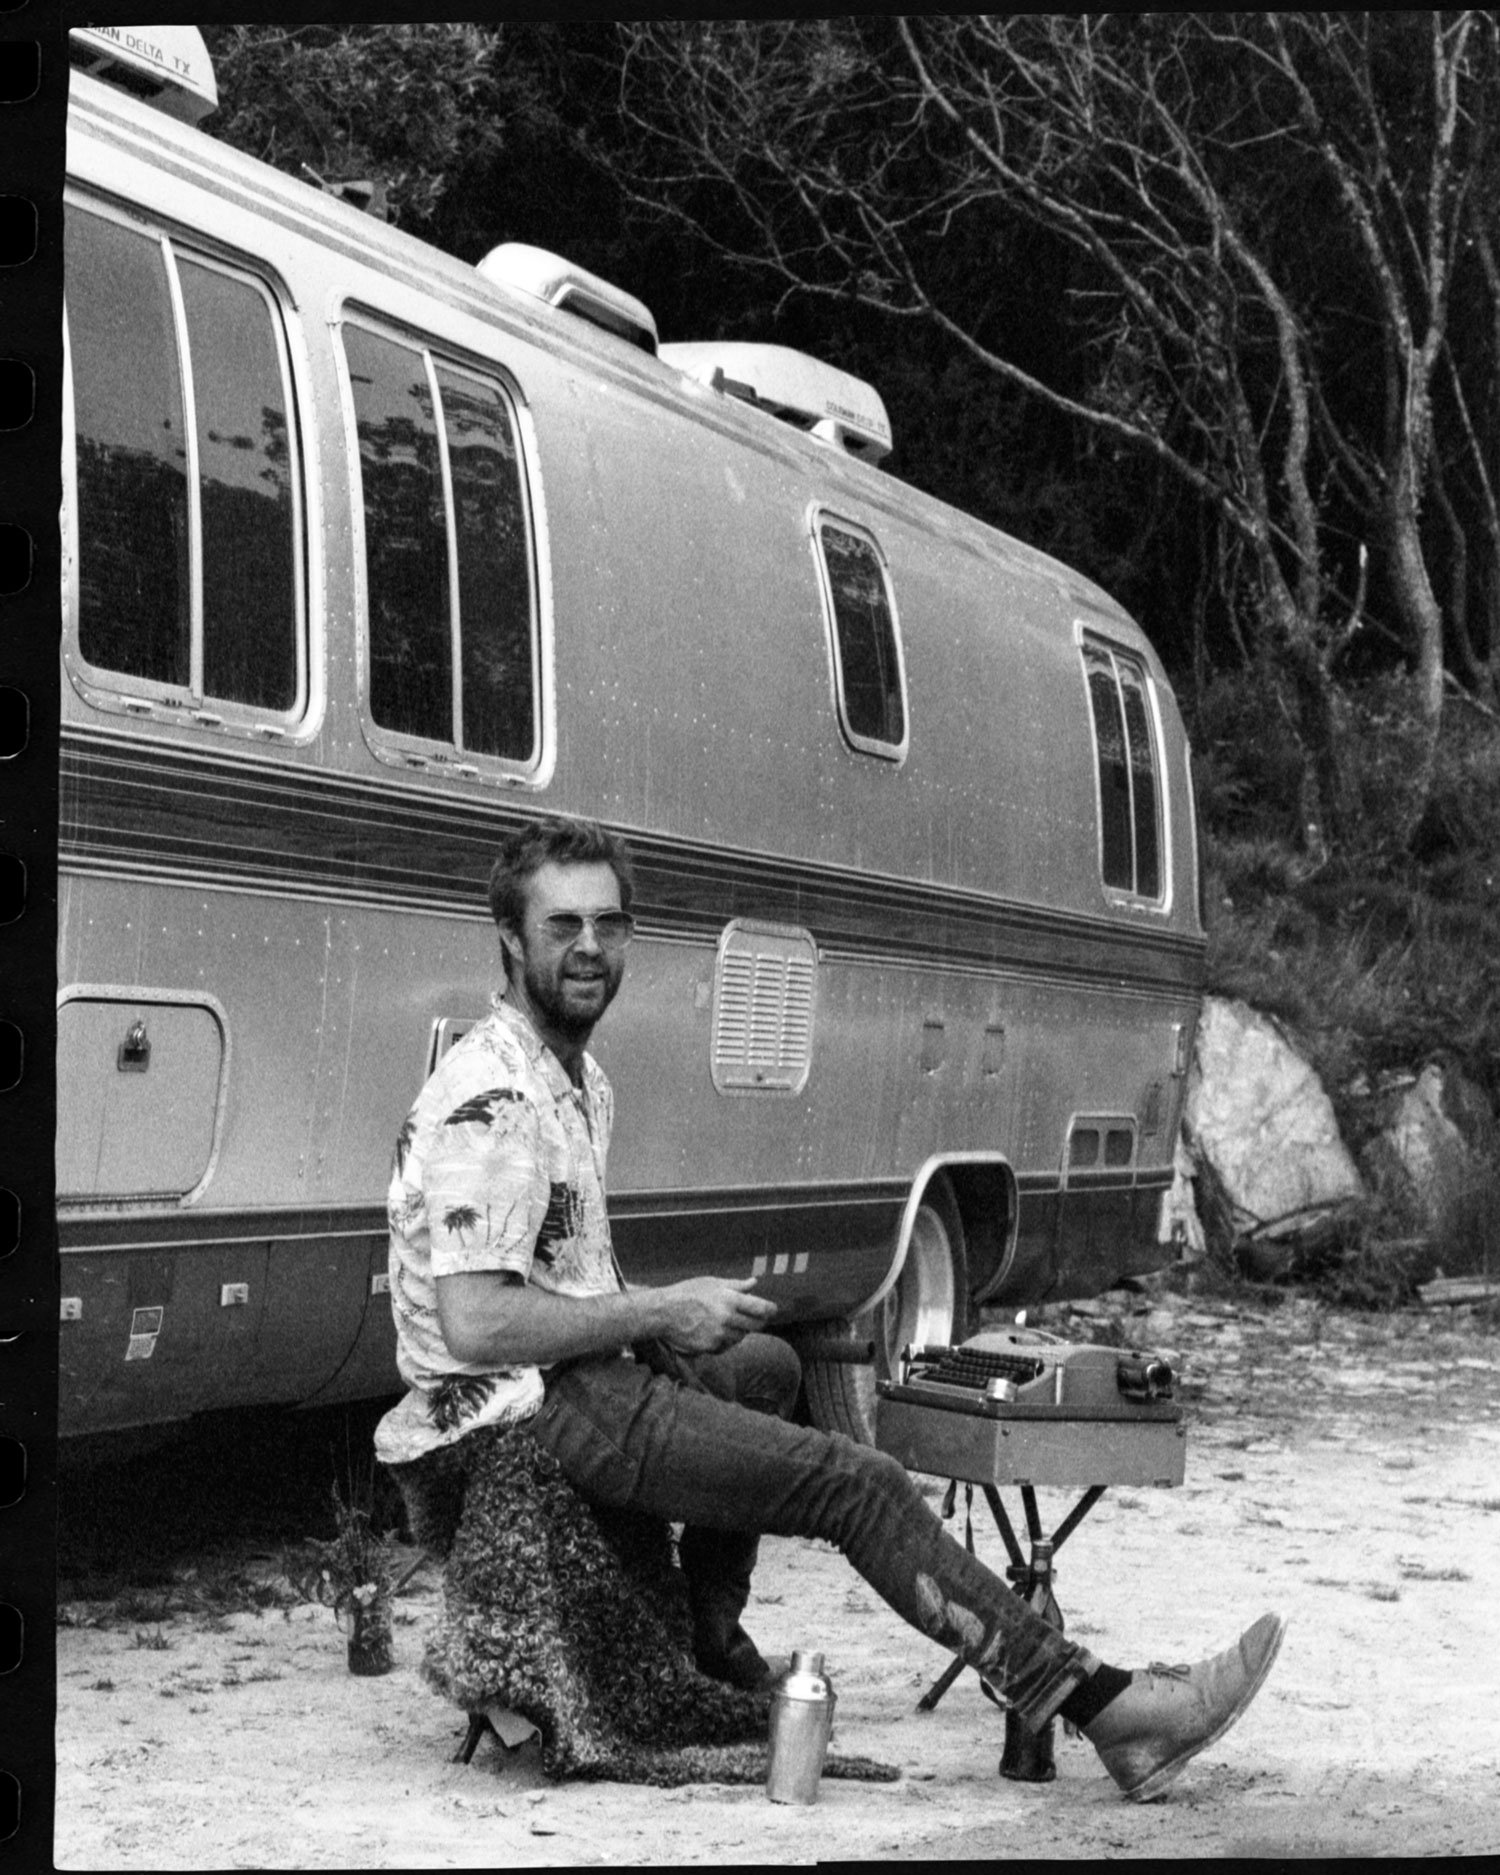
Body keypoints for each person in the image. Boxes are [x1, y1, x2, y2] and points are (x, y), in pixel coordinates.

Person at [375, 815, 1284, 1801]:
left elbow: (558, 1268)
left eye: (610, 924)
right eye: (562, 927)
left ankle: (708, 1643)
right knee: (858, 1483)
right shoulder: (493, 1102)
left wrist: (665, 1326)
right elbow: (477, 1325)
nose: (590, 949)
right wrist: (658, 1315)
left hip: (570, 1377)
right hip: (515, 1410)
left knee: (770, 1369)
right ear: (511, 939)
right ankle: (1109, 1709)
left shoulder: (577, 1079)